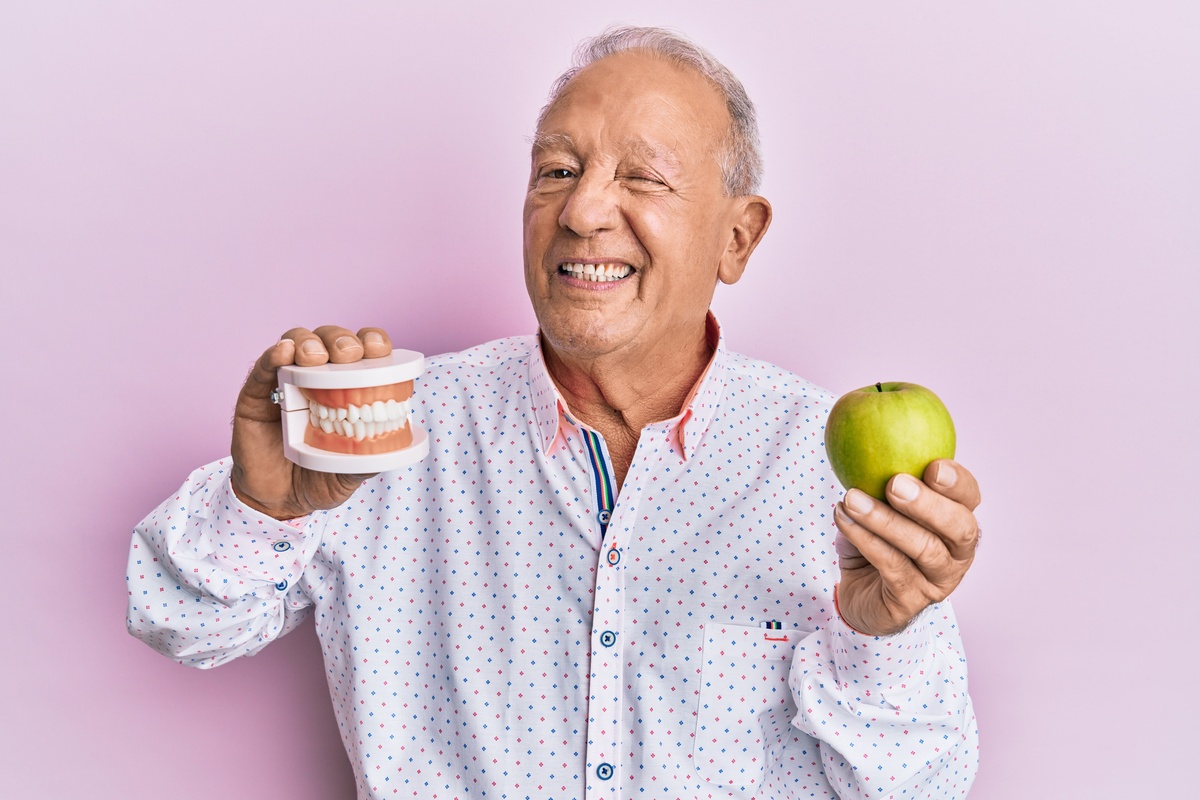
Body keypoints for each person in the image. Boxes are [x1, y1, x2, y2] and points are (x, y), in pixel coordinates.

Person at [127, 26, 982, 799]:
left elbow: (918, 789)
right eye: (558, 172)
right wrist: (264, 507)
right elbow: (179, 620)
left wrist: (881, 635)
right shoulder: (377, 430)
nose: (580, 212)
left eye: (642, 177)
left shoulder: (824, 469)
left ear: (738, 238)